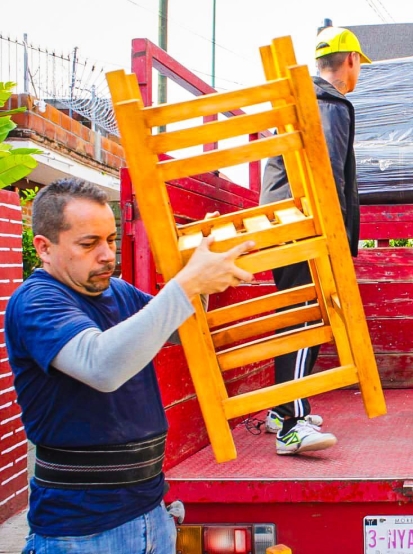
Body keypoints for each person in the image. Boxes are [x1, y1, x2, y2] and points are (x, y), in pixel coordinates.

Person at [6, 178, 255, 553]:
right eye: (89, 244)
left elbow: (179, 329)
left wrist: (195, 279)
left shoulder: (115, 291)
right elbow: (101, 366)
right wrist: (185, 286)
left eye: (110, 239)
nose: (107, 254)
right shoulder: (37, 301)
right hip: (81, 533)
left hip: (151, 511)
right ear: (44, 247)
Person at [260, 26, 371, 455]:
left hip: (285, 223)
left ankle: (279, 409)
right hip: (307, 226)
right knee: (309, 317)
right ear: (352, 61)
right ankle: (292, 422)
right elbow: (324, 177)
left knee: (296, 315)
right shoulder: (328, 102)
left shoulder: (298, 97)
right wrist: (336, 243)